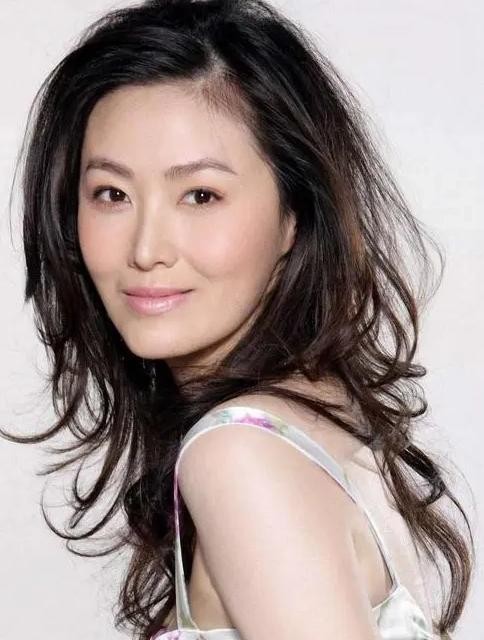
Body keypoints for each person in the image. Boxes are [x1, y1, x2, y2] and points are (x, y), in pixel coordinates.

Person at [1, 0, 474, 638]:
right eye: (112, 194)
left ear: (293, 216)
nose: (146, 249)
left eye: (201, 195)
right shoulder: (316, 414)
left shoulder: (240, 452)